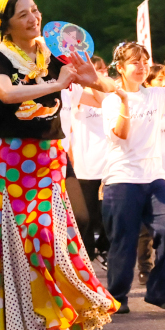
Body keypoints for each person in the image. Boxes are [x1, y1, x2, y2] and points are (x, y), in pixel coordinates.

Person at [0, 0, 116, 330]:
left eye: (35, 10)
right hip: (10, 158)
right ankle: (16, 326)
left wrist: (93, 78)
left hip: (48, 156)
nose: (33, 18)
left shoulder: (53, 53)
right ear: (4, 23)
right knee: (15, 241)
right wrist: (56, 84)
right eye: (23, 14)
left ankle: (58, 312)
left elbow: (107, 92)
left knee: (51, 238)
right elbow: (6, 95)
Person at [101, 41, 165, 313]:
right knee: (123, 242)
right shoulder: (112, 100)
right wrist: (125, 100)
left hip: (154, 177)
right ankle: (117, 297)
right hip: (122, 178)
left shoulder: (156, 95)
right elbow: (121, 134)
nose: (141, 66)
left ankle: (159, 291)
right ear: (121, 68)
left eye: (144, 61)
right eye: (134, 62)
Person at [66, 57, 110, 264]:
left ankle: (102, 249)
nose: (101, 73)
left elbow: (103, 101)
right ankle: (86, 260)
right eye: (97, 70)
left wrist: (93, 81)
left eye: (103, 70)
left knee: (108, 216)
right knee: (86, 218)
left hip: (108, 165)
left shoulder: (93, 91)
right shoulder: (72, 94)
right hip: (85, 167)